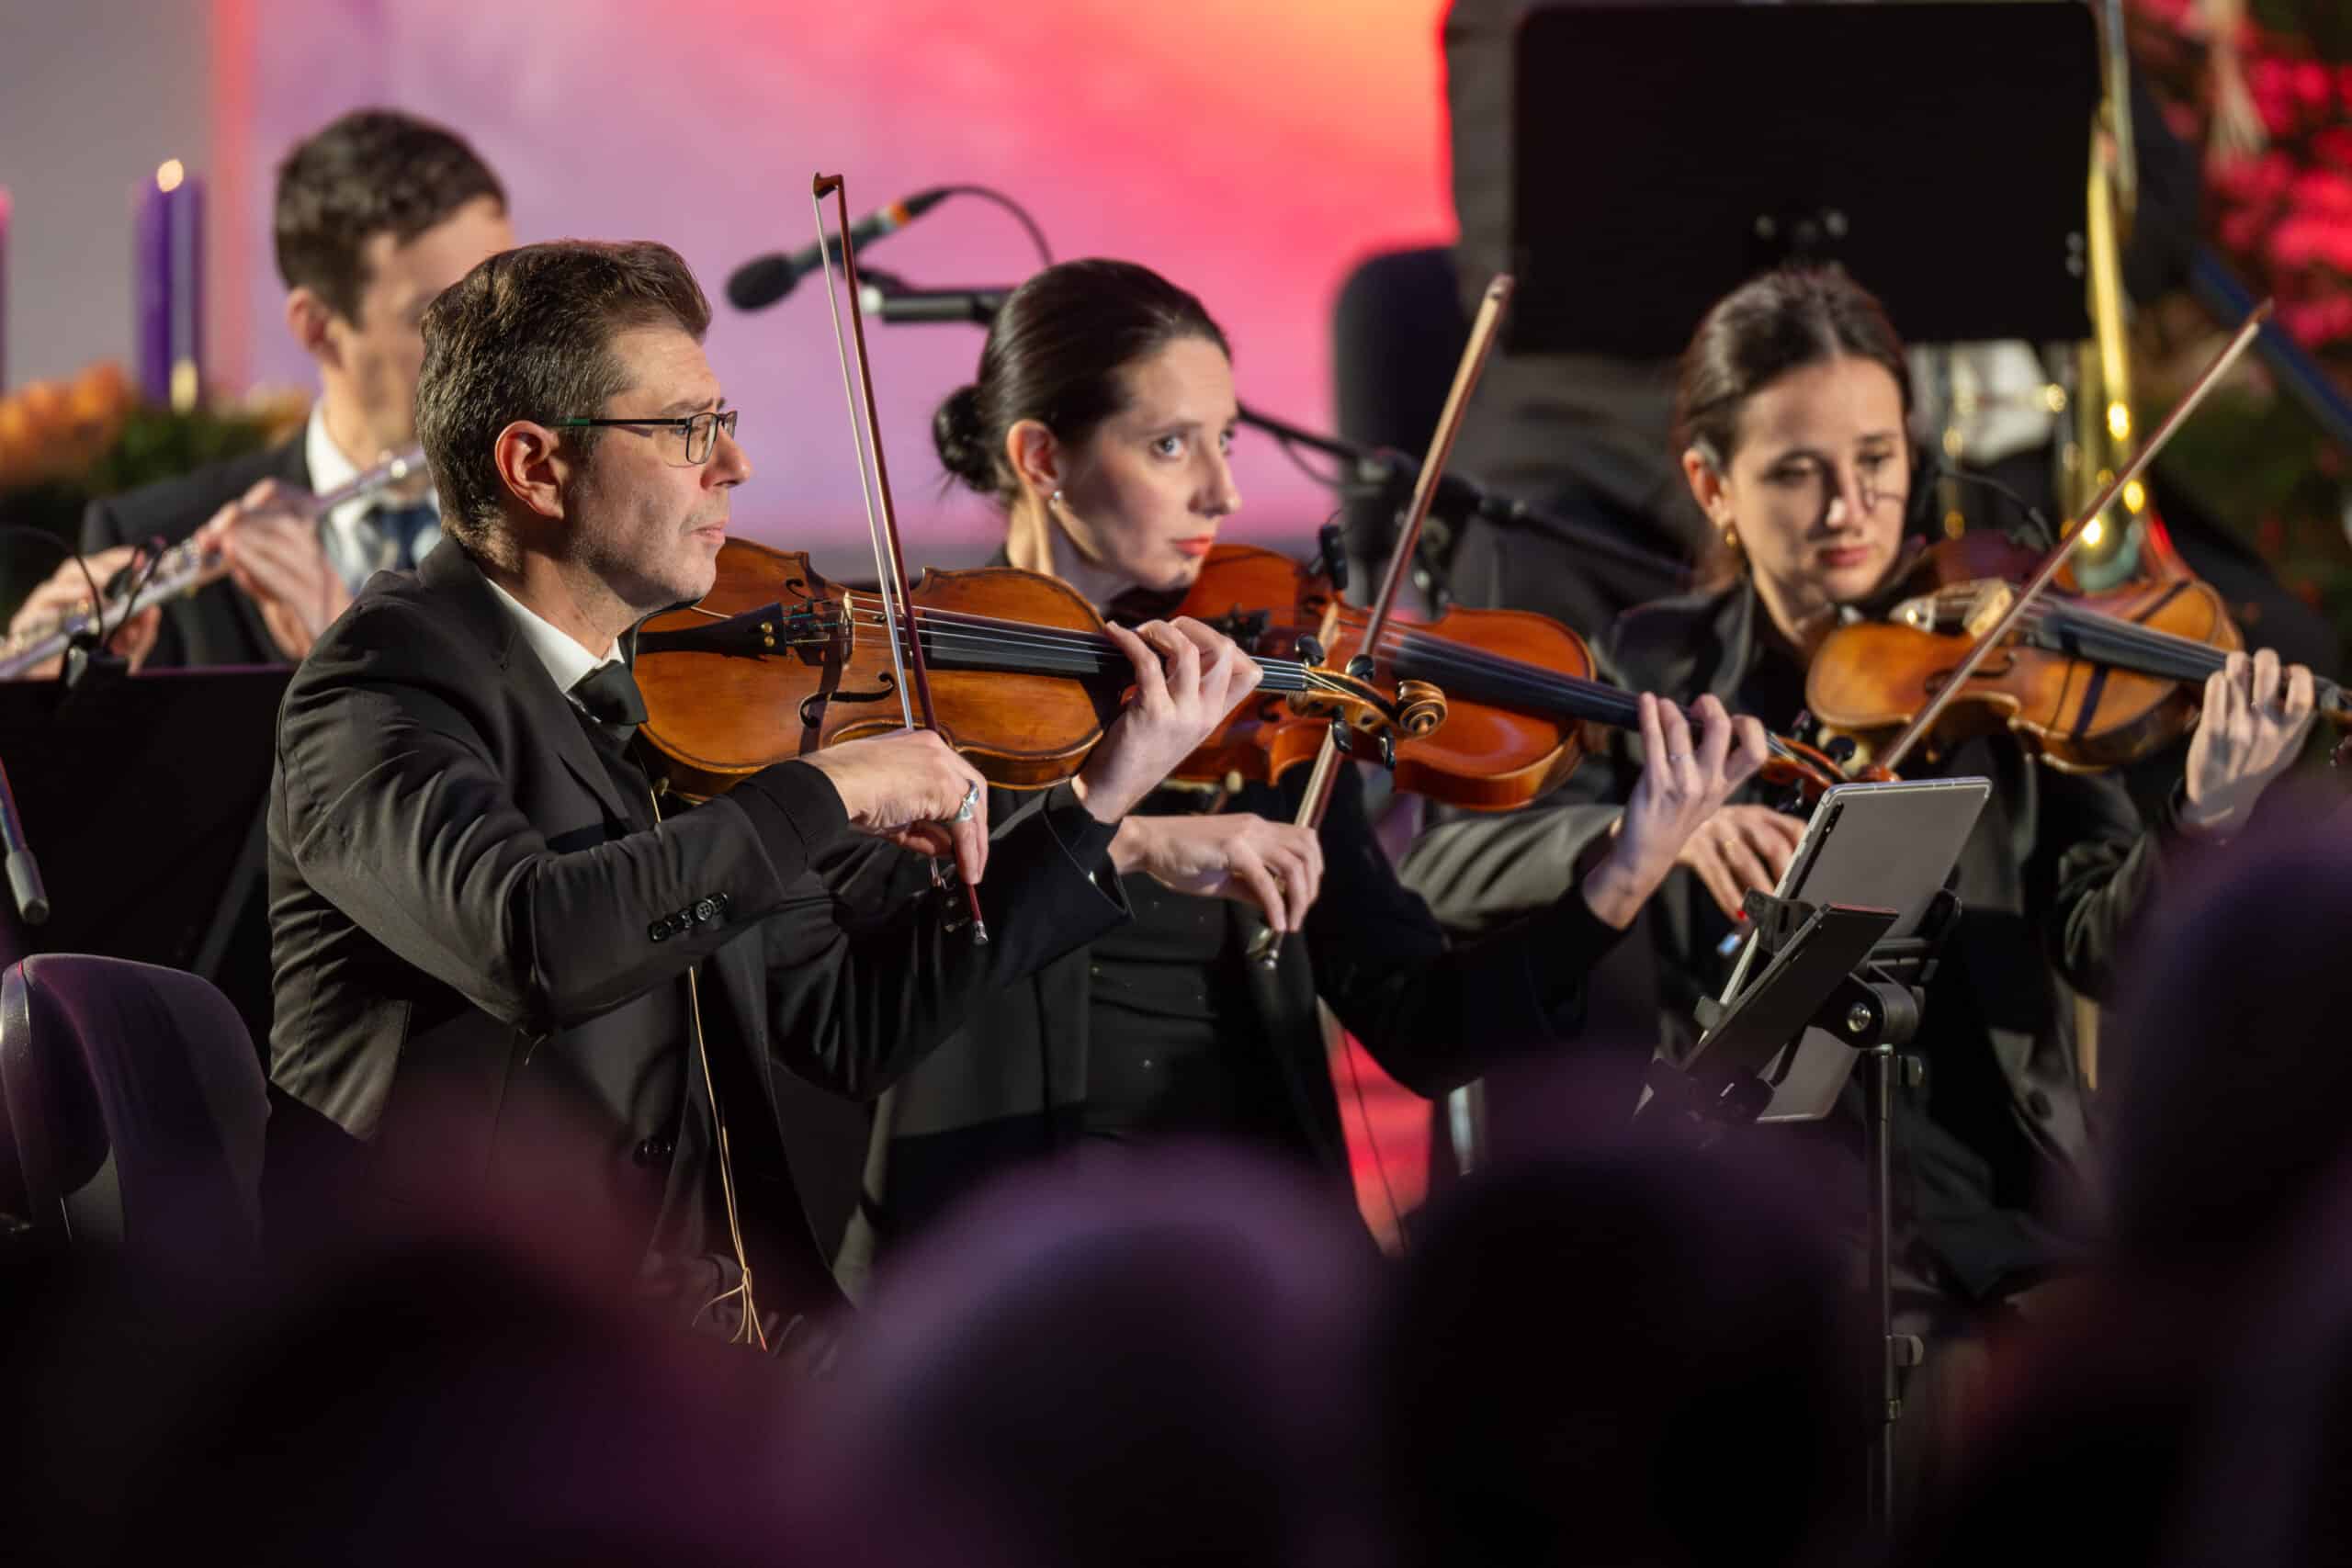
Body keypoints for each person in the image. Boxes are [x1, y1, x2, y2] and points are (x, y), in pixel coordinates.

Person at [1398, 265, 2317, 1503]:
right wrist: (1641, 834)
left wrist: (2204, 817)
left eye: (1878, 458)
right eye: (1797, 469)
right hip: (1762, 1236)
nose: (1852, 506)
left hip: (2004, 1230)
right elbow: (1444, 868)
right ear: (1714, 485)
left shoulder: (2006, 659)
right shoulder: (1655, 672)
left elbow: (2109, 941)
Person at [266, 240, 1256, 1350]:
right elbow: (535, 941)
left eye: (722, 420)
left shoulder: (669, 703)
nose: (731, 462)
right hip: (475, 1356)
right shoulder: (385, 684)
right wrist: (825, 789)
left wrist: (1096, 800)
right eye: (686, 429)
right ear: (535, 468)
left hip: (720, 1338)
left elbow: (849, 1024)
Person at [831, 258, 1768, 1288]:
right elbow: (873, 962)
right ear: (1042, 457)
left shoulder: (1258, 700)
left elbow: (1428, 1031)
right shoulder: (920, 685)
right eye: (1170, 445)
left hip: (1250, 1255)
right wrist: (1132, 836)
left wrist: (1622, 875)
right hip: (993, 1266)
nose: (1222, 491)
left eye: (1224, 440)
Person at [8, 108, 512, 672]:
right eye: (440, 317)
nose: (494, 350)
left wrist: (352, 656)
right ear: (317, 327)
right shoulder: (155, 533)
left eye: (505, 309)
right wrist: (30, 714)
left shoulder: (568, 526)